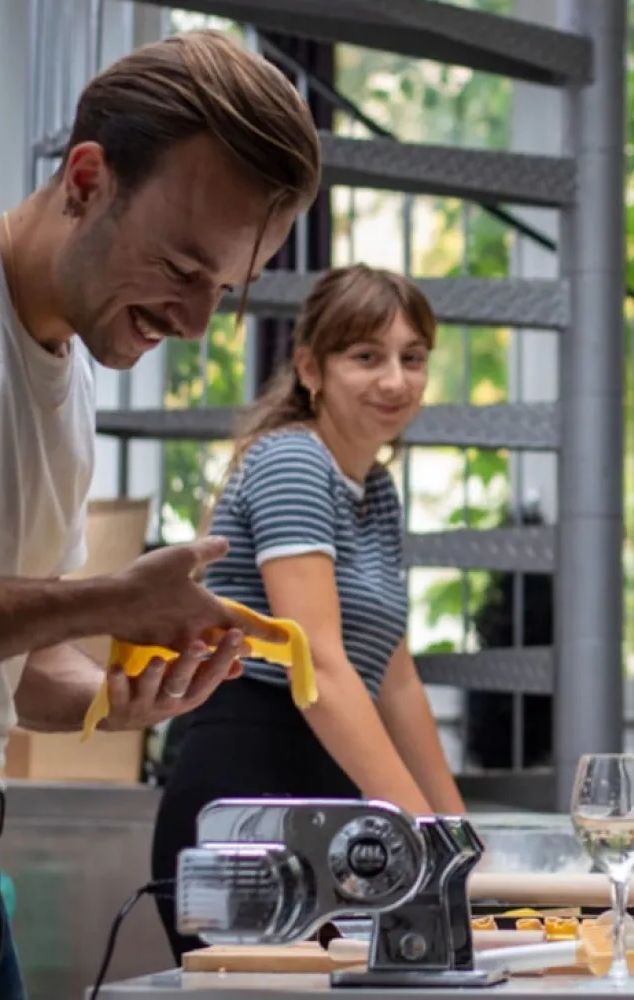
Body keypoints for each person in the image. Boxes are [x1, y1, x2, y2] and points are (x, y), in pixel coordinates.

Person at [0, 29, 321, 1000]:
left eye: (222, 289)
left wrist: (117, 695)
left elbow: (17, 675)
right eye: (180, 267)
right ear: (88, 180)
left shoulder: (70, 378)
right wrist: (100, 597)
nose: (193, 322)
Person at [151, 264, 467, 962]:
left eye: (412, 358)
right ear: (309, 368)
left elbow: (394, 679)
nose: (396, 380)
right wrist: (423, 831)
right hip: (251, 795)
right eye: (367, 356)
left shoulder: (375, 489)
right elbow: (318, 661)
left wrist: (457, 833)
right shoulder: (293, 461)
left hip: (329, 801)